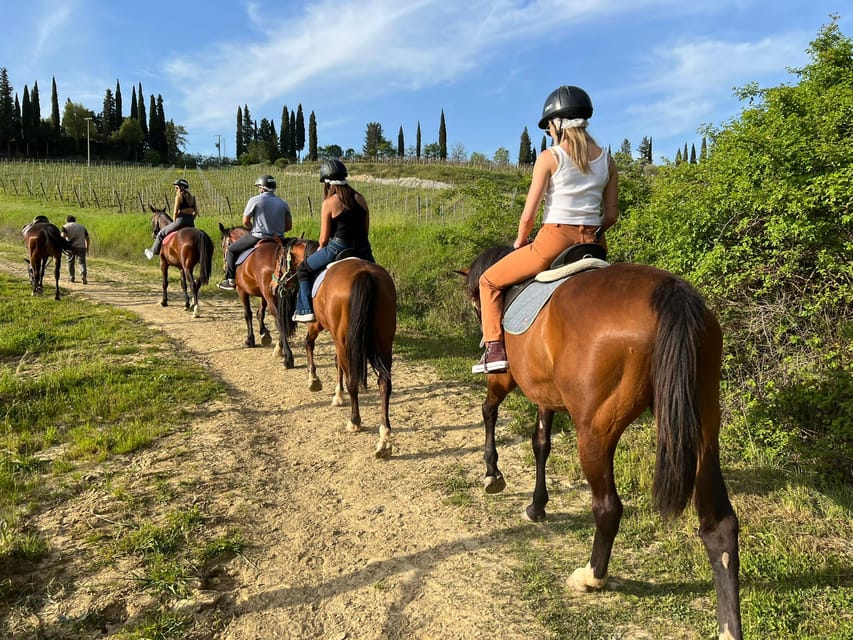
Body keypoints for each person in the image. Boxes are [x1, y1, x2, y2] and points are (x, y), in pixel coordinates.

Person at [472, 85, 619, 374]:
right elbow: (612, 215)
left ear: (559, 123)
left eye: (549, 125)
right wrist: (592, 231)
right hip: (593, 244)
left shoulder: (550, 157)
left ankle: (494, 350)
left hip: (553, 240)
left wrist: (521, 241)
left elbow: (529, 215)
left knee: (488, 281)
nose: (549, 131)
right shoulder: (607, 160)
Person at [293, 159, 375, 322]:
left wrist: (320, 248)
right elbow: (365, 230)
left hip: (338, 247)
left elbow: (323, 239)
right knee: (378, 276)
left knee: (303, 269)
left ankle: (306, 309)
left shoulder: (329, 203)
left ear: (327, 183)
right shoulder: (361, 198)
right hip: (363, 248)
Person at [218, 174, 293, 291]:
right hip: (279, 239)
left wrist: (253, 229)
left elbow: (245, 221)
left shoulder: (255, 200)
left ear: (262, 188)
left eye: (259, 187)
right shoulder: (283, 203)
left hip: (258, 236)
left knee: (232, 249)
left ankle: (231, 280)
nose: (259, 189)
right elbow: (289, 226)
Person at [144, 178, 198, 259]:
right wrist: (190, 219)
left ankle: (152, 252)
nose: (175, 190)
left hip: (180, 221)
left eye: (176, 188)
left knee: (161, 234)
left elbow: (175, 212)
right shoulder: (192, 198)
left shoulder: (179, 196)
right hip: (191, 223)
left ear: (182, 187)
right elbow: (196, 212)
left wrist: (175, 222)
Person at [61, 215, 90, 284]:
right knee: (82, 262)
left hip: (71, 247)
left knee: (70, 262)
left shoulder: (65, 226)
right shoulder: (82, 227)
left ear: (67, 220)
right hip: (81, 247)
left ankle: (72, 277)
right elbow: (87, 238)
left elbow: (63, 237)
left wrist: (63, 246)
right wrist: (87, 247)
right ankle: (83, 275)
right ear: (75, 220)